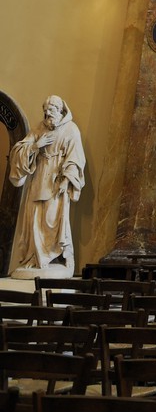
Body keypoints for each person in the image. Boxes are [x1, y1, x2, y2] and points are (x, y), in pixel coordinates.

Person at [8, 96, 86, 277]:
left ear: (60, 110)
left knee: (52, 220)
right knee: (34, 220)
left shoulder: (71, 129)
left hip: (56, 183)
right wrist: (36, 146)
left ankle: (52, 258)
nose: (47, 113)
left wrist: (66, 181)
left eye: (51, 110)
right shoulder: (39, 129)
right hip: (37, 181)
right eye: (45, 110)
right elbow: (19, 151)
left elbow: (75, 159)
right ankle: (35, 258)